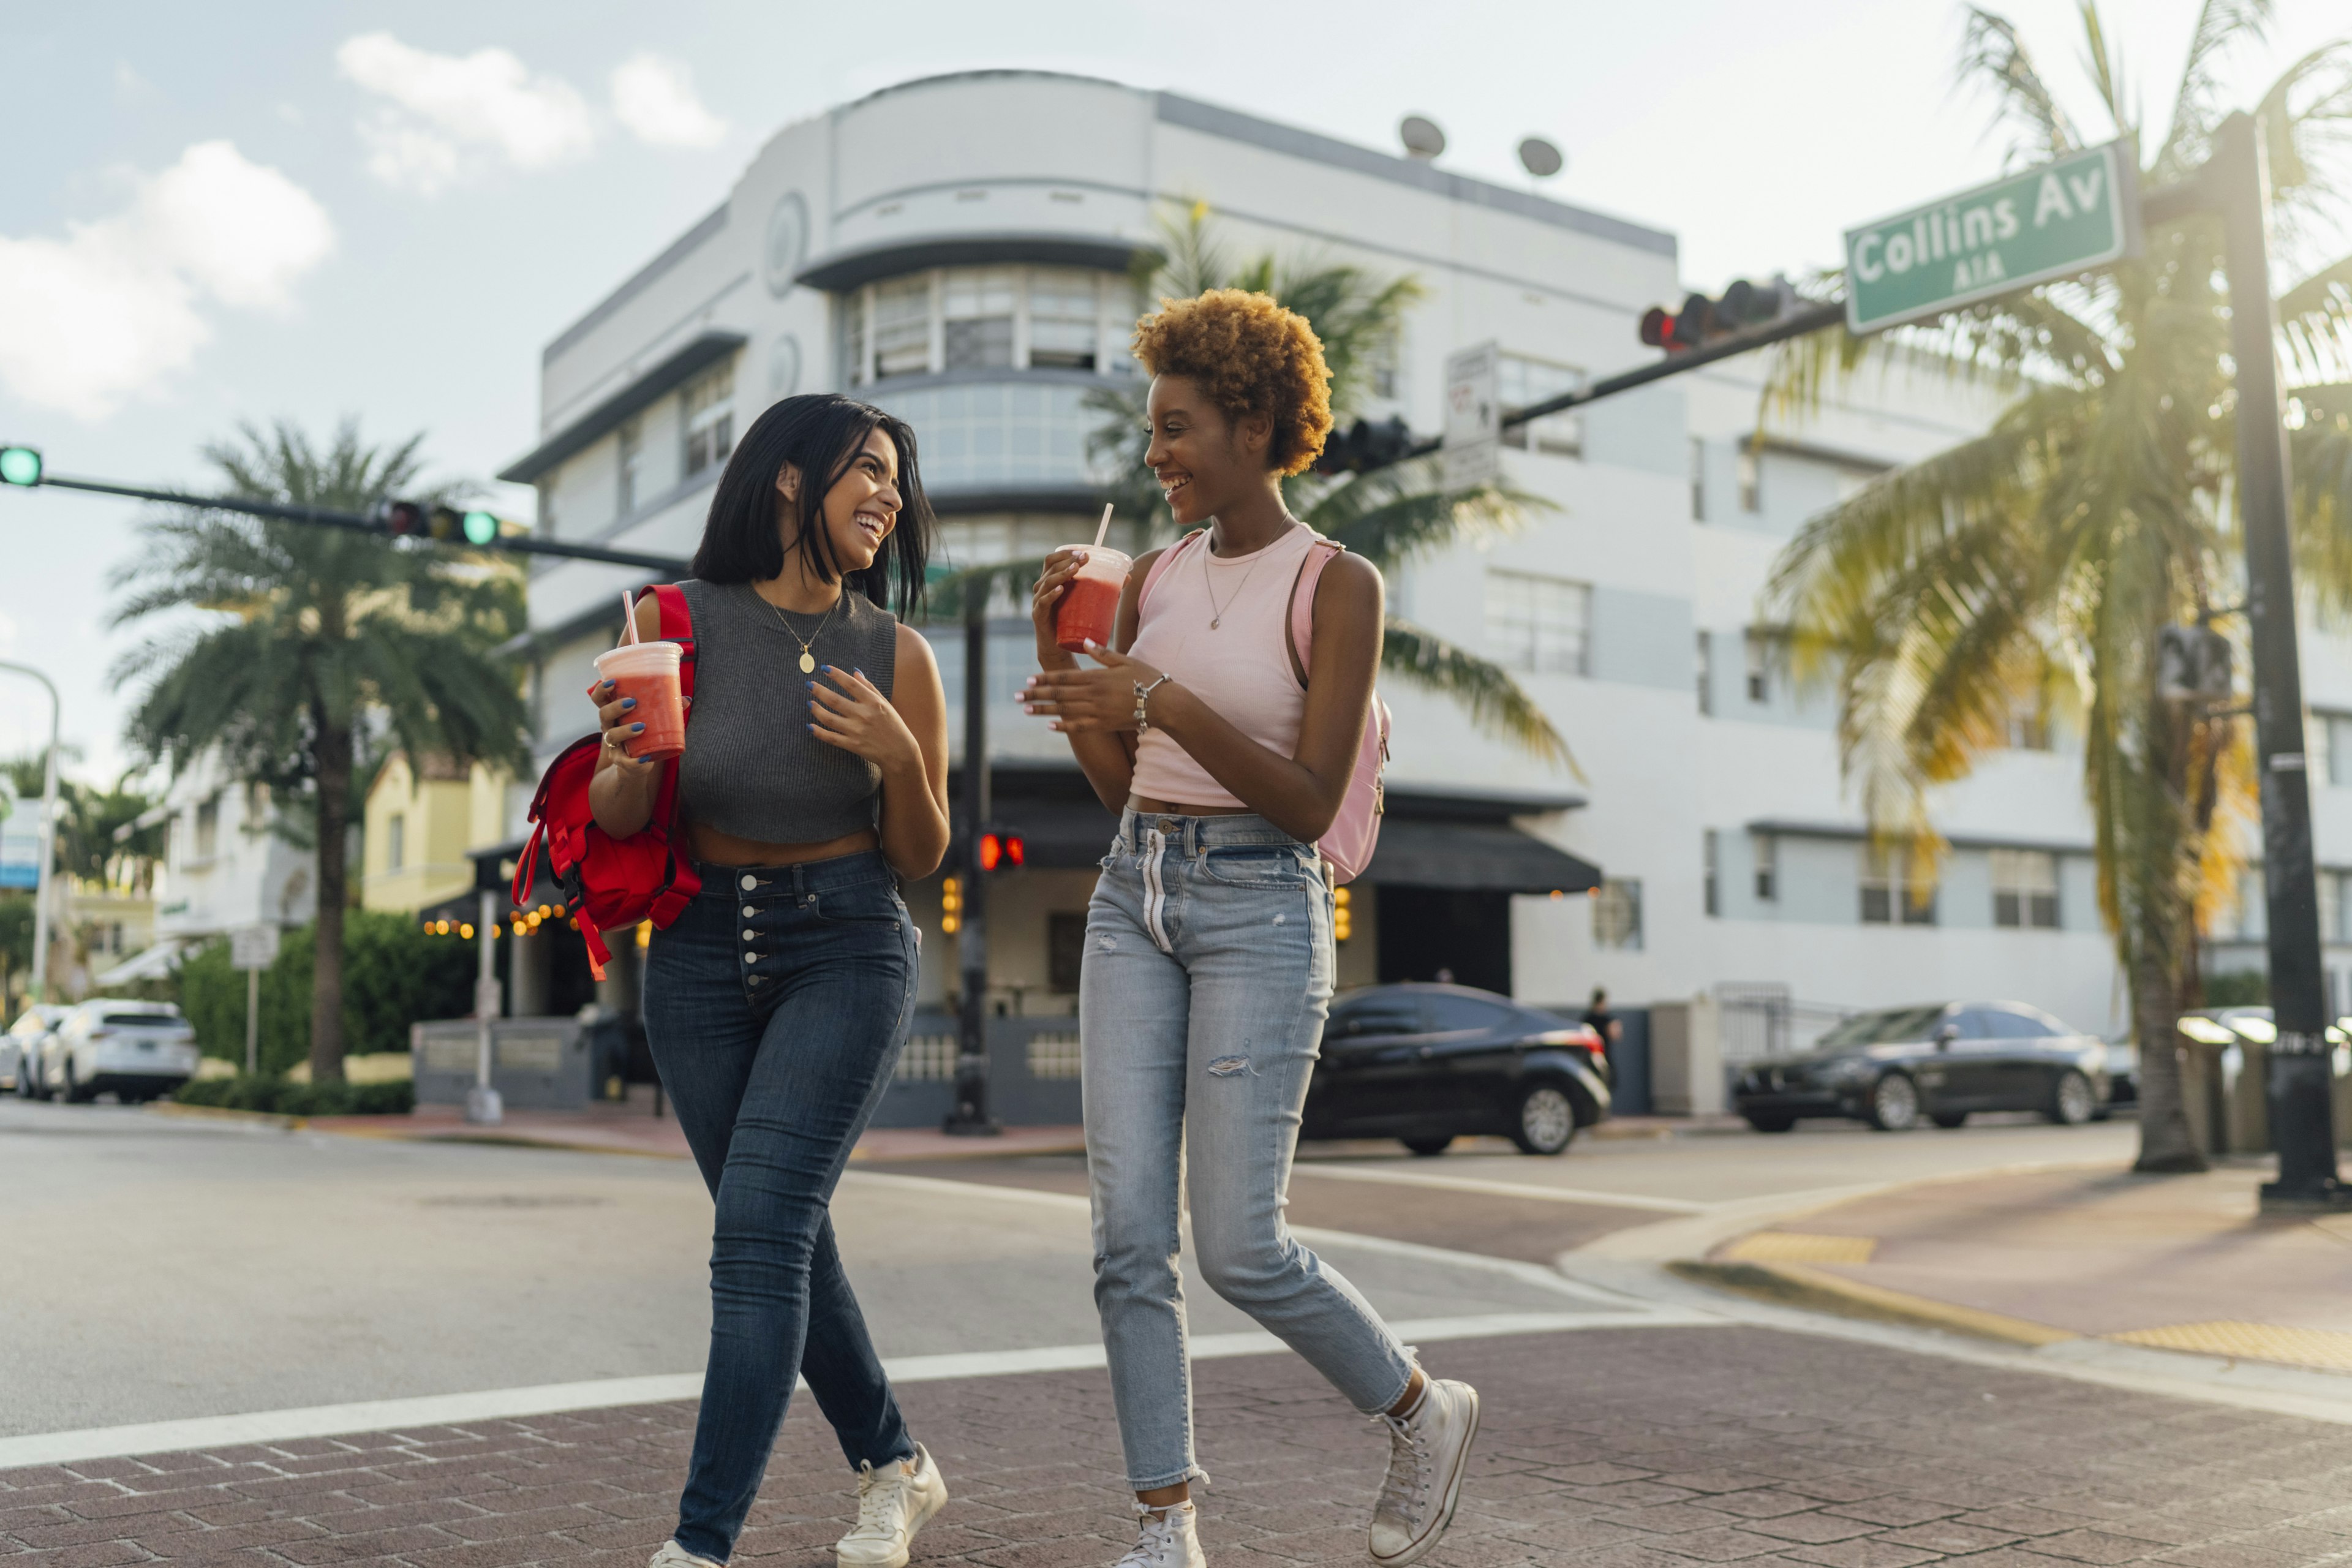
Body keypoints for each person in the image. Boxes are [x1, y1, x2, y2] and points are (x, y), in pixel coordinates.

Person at [1023, 290, 1479, 1568]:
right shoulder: (1153, 576)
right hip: (1136, 890)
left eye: (1177, 427)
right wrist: (1070, 670)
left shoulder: (1338, 584)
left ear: (1253, 422)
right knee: (1125, 1234)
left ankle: (1418, 1405)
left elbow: (1304, 796)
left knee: (1238, 1243)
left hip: (1262, 905)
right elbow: (1124, 784)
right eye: (1153, 430)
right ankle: (1165, 1525)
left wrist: (1154, 693)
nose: (1157, 451)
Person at [590, 393, 953, 1568]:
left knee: (757, 1239)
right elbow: (622, 812)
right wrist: (629, 752)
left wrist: (898, 753)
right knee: (782, 1231)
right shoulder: (671, 617)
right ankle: (895, 1463)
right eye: (868, 469)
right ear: (791, 480)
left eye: (898, 478)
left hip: (845, 943)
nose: (890, 495)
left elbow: (922, 854)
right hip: (697, 956)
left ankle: (698, 1547)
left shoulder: (897, 651)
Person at [1583, 986, 1623, 1082]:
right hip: (1602, 1058)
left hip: (1589, 1059)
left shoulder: (1587, 1019)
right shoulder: (1607, 1020)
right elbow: (1615, 1036)